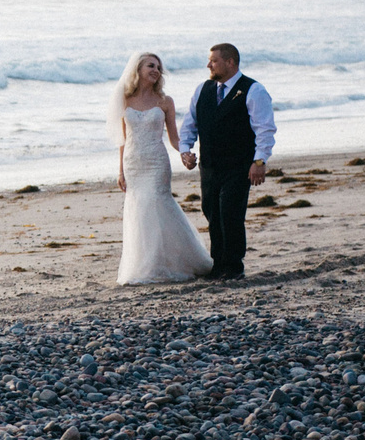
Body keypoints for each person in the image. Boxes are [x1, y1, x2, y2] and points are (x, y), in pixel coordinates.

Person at [111, 51, 212, 285]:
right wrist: (120, 171)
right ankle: (145, 265)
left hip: (157, 162)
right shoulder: (124, 99)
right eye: (150, 66)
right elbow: (122, 140)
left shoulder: (165, 102)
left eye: (158, 67)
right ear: (138, 70)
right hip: (134, 162)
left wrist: (185, 152)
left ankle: (176, 261)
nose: (156, 70)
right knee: (139, 210)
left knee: (158, 204)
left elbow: (174, 138)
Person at [179, 42, 276, 280]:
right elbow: (190, 123)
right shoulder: (203, 89)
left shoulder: (254, 90)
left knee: (230, 213)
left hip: (239, 165)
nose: (208, 64)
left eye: (213, 60)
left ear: (230, 62)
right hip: (210, 165)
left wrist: (259, 162)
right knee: (211, 211)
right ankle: (218, 264)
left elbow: (265, 129)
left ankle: (234, 266)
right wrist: (185, 150)